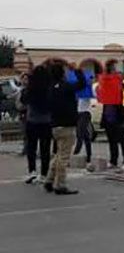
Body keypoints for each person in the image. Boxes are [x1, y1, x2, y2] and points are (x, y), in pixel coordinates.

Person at [44, 63, 86, 195]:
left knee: (58, 154)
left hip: (55, 125)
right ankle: (60, 184)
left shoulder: (50, 87)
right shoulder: (65, 86)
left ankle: (49, 180)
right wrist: (78, 71)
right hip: (67, 125)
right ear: (62, 73)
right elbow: (81, 84)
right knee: (64, 157)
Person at [19, 67, 52, 184]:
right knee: (45, 149)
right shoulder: (49, 88)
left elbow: (23, 100)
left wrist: (25, 86)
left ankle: (32, 171)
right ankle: (44, 173)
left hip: (32, 121)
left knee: (31, 148)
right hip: (47, 122)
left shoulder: (30, 88)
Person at [100, 70, 124, 170]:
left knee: (123, 141)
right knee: (112, 142)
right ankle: (113, 160)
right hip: (109, 119)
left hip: (121, 119)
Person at [73, 95, 94, 171]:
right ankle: (89, 156)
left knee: (80, 133)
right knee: (85, 136)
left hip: (85, 113)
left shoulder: (86, 92)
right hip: (77, 113)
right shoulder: (76, 93)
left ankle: (76, 152)